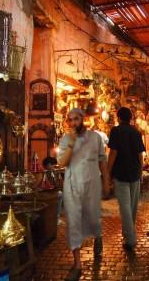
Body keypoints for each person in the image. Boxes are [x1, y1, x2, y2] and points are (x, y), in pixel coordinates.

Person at [57, 108, 110, 281]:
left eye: (76, 119)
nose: (73, 123)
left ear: (83, 119)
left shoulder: (96, 138)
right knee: (73, 221)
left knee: (93, 217)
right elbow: (62, 162)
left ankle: (98, 236)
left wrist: (106, 182)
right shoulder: (65, 139)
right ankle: (77, 264)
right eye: (70, 120)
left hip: (92, 184)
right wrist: (71, 144)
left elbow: (103, 161)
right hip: (72, 185)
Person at [107, 107, 145, 252]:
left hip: (121, 173)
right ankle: (127, 234)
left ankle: (131, 238)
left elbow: (113, 153)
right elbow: (140, 154)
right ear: (130, 118)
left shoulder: (116, 131)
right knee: (133, 206)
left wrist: (108, 172)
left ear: (118, 117)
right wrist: (140, 171)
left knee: (125, 207)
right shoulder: (136, 131)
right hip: (134, 172)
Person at [42, 157, 64, 225]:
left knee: (61, 194)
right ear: (48, 165)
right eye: (53, 165)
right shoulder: (44, 173)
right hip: (46, 193)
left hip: (53, 191)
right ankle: (56, 218)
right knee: (60, 194)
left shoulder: (53, 172)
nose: (54, 167)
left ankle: (57, 217)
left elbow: (56, 183)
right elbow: (46, 185)